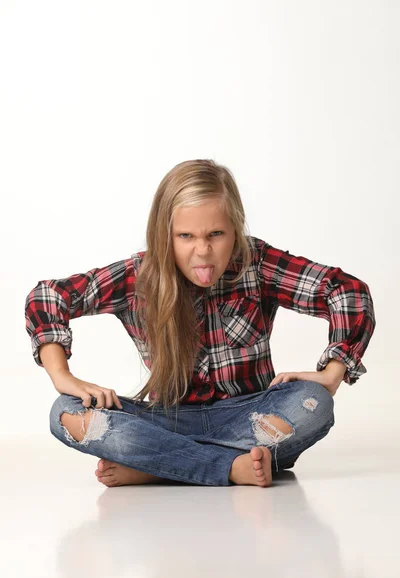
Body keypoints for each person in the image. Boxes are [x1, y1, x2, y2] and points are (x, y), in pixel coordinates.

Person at [24, 159, 376, 488]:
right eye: (186, 236)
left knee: (313, 402)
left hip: (248, 415)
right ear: (166, 233)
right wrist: (62, 376)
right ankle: (230, 466)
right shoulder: (139, 277)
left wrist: (333, 371)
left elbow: (345, 290)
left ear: (235, 230)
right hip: (164, 419)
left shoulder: (256, 265)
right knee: (66, 414)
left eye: (216, 234)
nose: (203, 251)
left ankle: (157, 466)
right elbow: (48, 296)